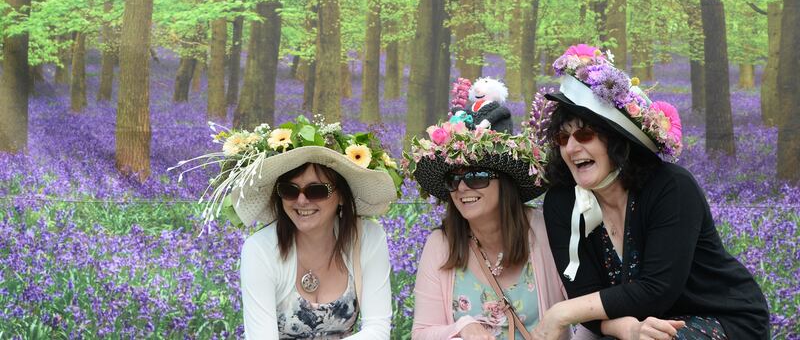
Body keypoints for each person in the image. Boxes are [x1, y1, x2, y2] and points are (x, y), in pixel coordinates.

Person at [530, 44, 770, 340]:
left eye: (584, 134)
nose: (571, 147)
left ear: (617, 140)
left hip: (721, 316)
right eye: (562, 137)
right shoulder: (562, 201)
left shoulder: (671, 187)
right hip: (638, 324)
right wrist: (628, 328)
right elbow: (585, 297)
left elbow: (657, 289)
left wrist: (560, 313)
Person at [173, 116, 401, 339]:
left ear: (341, 195)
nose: (301, 201)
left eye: (316, 191)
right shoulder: (260, 250)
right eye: (289, 190)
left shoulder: (367, 238)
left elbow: (378, 330)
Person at [405, 121, 596, 340]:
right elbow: (421, 333)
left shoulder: (542, 229)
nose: (462, 187)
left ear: (504, 183)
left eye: (477, 177)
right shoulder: (441, 243)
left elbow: (587, 312)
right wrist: (462, 328)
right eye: (453, 179)